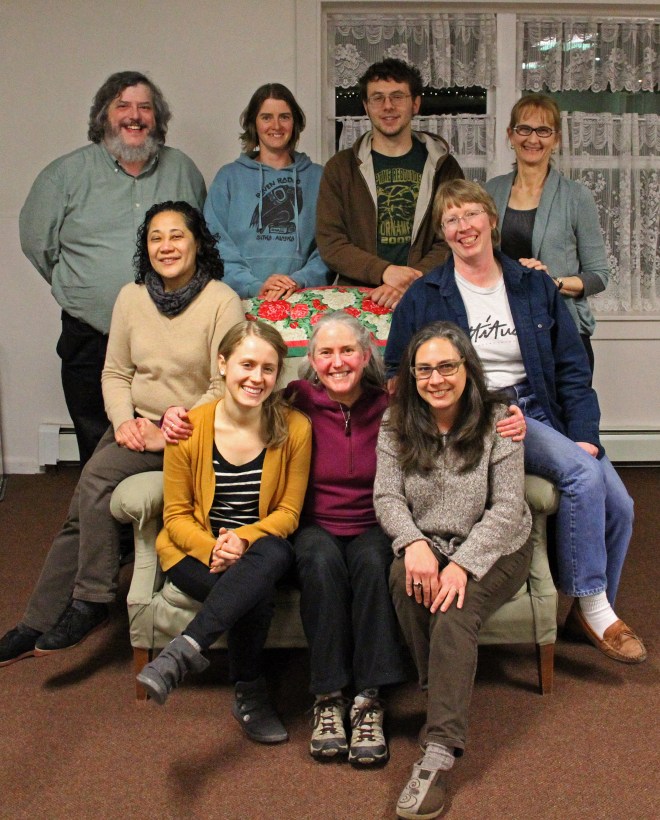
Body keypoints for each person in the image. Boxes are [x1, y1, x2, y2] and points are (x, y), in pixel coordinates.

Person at [385, 178, 646, 666]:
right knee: (581, 475)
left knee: (622, 506)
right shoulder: (426, 294)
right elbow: (397, 368)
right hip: (484, 414)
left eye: (470, 215)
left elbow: (571, 367)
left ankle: (584, 611)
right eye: (451, 220)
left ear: (491, 220)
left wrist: (584, 435)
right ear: (443, 233)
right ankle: (595, 607)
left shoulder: (531, 284)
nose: (463, 227)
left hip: (542, 407)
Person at [0, 202, 243, 667]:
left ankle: (90, 600)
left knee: (92, 482)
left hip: (192, 431)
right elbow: (115, 372)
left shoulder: (221, 301)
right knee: (82, 508)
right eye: (155, 237)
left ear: (198, 243)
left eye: (177, 235)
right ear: (145, 246)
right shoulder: (131, 297)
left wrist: (169, 430)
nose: (166, 246)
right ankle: (38, 621)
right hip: (137, 427)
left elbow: (222, 384)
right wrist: (125, 422)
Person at [375, 321, 534, 819]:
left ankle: (439, 751)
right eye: (424, 369)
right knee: (403, 581)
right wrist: (413, 544)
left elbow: (508, 508)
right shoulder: (394, 424)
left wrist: (463, 564)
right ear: (412, 375)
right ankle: (439, 684)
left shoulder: (498, 420)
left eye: (447, 366)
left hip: (497, 547)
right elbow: (387, 496)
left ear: (467, 367)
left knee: (455, 608)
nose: (436, 378)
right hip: (429, 542)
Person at [136, 321, 312, 745]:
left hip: (260, 548)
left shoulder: (295, 428)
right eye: (246, 364)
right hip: (193, 552)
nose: (257, 378)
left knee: (271, 554)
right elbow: (176, 517)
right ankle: (250, 693)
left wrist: (244, 540)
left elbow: (288, 513)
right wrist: (214, 546)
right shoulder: (188, 428)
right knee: (256, 588)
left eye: (268, 369)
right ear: (223, 363)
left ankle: (183, 650)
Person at [20, 71, 206, 464]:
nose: (134, 115)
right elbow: (38, 244)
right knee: (95, 437)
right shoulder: (64, 175)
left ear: (158, 118)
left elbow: (200, 240)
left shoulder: (183, 170)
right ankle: (101, 517)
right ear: (104, 115)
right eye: (122, 105)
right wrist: (81, 286)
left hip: (168, 333)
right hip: (90, 335)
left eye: (145, 107)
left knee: (166, 438)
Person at [284, 312, 408, 765]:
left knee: (376, 565)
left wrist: (506, 416)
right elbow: (235, 404)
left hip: (374, 522)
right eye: (326, 353)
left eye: (347, 351)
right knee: (319, 563)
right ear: (312, 360)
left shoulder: (389, 404)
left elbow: (457, 400)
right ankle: (328, 697)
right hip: (314, 523)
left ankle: (370, 699)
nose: (337, 362)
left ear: (365, 354)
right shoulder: (295, 399)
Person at [316, 58, 464, 311]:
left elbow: (453, 236)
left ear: (415, 103)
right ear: (366, 105)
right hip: (356, 299)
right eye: (377, 98)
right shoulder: (340, 168)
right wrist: (384, 272)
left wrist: (411, 280)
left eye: (398, 96)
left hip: (426, 293)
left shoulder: (444, 167)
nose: (388, 106)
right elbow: (331, 242)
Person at [485, 93, 609, 374]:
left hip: (562, 330)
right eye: (524, 129)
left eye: (543, 131)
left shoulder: (576, 197)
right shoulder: (490, 191)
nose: (533, 139)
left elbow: (599, 275)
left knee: (566, 416)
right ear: (511, 135)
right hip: (502, 329)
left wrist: (552, 283)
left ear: (556, 139)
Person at [204, 83, 329, 300]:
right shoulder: (228, 177)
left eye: (284, 117)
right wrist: (253, 286)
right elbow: (214, 242)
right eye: (266, 117)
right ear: (254, 122)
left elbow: (330, 245)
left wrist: (298, 281)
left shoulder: (319, 178)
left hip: (303, 300)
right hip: (240, 299)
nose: (276, 125)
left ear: (295, 122)